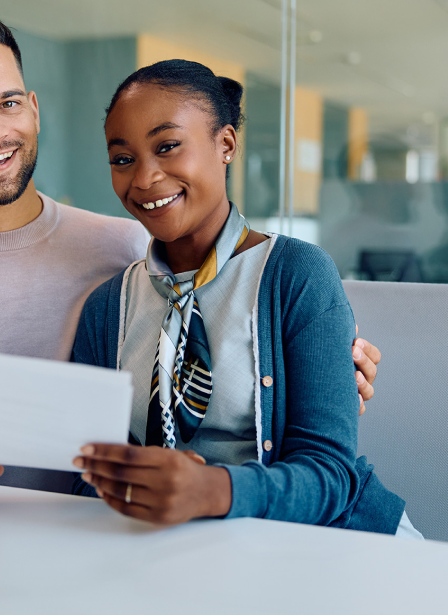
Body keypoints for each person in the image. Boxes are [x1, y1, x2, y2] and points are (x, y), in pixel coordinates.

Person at [0, 8, 380, 509]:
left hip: (88, 534)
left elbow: (257, 331)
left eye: (8, 102)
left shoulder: (125, 254)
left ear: (34, 110)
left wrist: (331, 359)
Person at [70, 59, 419, 537]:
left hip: (326, 543)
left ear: (226, 144)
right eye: (123, 159)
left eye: (168, 146)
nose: (145, 177)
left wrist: (212, 491)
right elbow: (86, 473)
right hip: (174, 551)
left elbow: (331, 475)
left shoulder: (296, 274)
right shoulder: (108, 307)